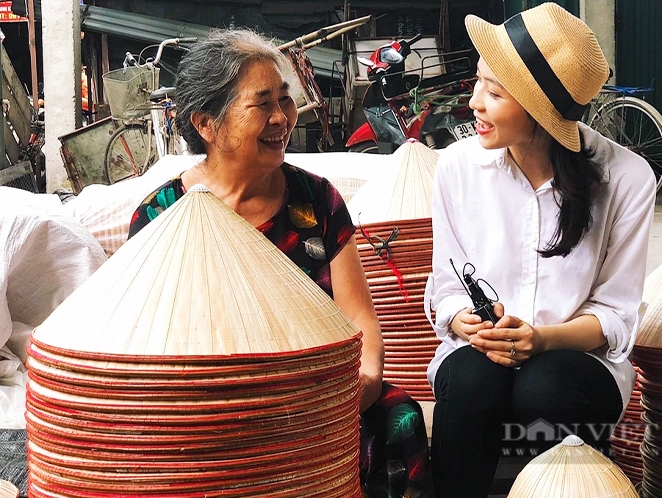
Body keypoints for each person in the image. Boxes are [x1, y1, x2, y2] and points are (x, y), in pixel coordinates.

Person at [128, 29, 433, 498]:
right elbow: (141, 342)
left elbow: (358, 317)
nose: (281, 118)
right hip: (210, 404)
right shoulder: (160, 216)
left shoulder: (317, 200)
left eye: (285, 99)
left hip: (315, 393)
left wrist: (365, 381)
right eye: (262, 103)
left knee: (401, 417)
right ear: (207, 124)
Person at [423, 4, 656, 497]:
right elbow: (445, 284)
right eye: (477, 83)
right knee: (470, 379)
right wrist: (460, 318)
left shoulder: (627, 178)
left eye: (495, 92)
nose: (474, 104)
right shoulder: (456, 167)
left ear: (540, 112)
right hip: (479, 358)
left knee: (545, 384)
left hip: (577, 366)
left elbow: (617, 315)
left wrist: (543, 340)